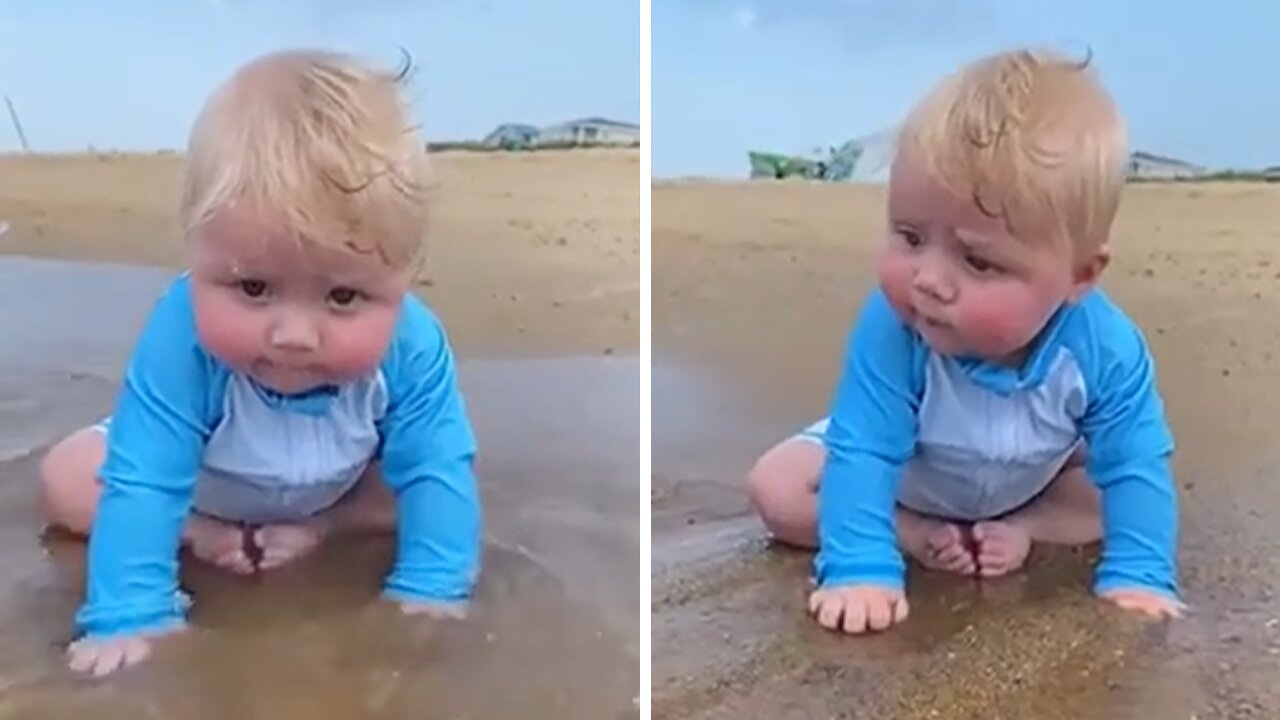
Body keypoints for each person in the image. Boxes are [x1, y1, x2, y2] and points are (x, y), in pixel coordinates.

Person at [37, 48, 481, 676]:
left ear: (404, 277)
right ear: (196, 249)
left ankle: (324, 529)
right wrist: (130, 615)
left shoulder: (413, 345)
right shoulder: (183, 334)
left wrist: (431, 589)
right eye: (252, 288)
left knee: (433, 485)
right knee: (70, 475)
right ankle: (201, 532)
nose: (295, 335)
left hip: (338, 490)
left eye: (343, 296)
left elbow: (438, 466)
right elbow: (143, 478)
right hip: (204, 482)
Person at [745, 48, 1185, 635]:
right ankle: (912, 533)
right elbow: (865, 450)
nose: (928, 279)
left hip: (1031, 473)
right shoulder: (896, 326)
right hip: (908, 470)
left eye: (977, 261)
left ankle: (1026, 525)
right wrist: (861, 567)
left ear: (1080, 276)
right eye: (909, 236)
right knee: (776, 489)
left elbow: (1134, 461)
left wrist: (1140, 573)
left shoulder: (1106, 351)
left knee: (1117, 493)